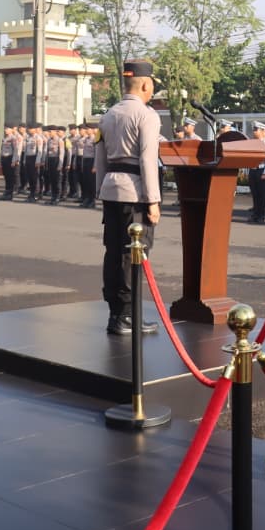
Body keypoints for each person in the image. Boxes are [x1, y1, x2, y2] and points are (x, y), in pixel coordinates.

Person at [95, 59, 162, 336]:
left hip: (112, 189)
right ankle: (127, 315)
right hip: (135, 192)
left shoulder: (108, 114)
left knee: (113, 252)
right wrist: (153, 200)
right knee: (133, 254)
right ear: (146, 84)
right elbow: (147, 159)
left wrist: (102, 190)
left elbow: (100, 156)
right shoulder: (146, 115)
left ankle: (117, 313)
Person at [0, 124, 21, 200]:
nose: (6, 130)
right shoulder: (4, 138)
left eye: (7, 129)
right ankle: (6, 191)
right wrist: (0, 160)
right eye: (5, 128)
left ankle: (9, 194)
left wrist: (14, 160)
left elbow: (16, 150)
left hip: (10, 159)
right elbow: (2, 150)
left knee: (10, 177)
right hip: (4, 159)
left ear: (12, 129)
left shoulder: (13, 138)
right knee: (6, 177)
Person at [44, 125, 66, 204]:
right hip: (50, 160)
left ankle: (57, 197)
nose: (49, 133)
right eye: (48, 131)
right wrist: (46, 162)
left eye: (50, 131)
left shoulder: (60, 140)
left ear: (55, 132)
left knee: (57, 180)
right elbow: (47, 153)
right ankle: (53, 196)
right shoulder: (49, 140)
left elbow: (62, 153)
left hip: (56, 160)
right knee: (52, 180)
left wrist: (60, 164)